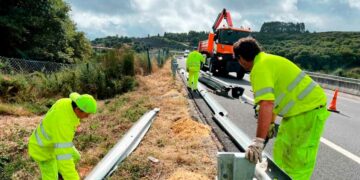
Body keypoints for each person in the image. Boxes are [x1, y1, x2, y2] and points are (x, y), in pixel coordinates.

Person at [233, 37, 330, 179]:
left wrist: (258, 142)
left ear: (241, 58)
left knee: (297, 160)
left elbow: (266, 103)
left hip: (308, 110)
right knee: (282, 151)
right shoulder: (266, 62)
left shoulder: (260, 68)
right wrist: (270, 123)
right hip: (297, 112)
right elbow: (273, 100)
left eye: (238, 59)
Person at [28, 92, 97, 180]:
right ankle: (57, 173)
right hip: (43, 150)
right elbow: (65, 159)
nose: (88, 117)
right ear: (78, 109)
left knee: (75, 157)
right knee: (51, 177)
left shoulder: (65, 102)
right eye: (87, 114)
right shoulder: (63, 126)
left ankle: (60, 173)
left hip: (53, 140)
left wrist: (75, 124)